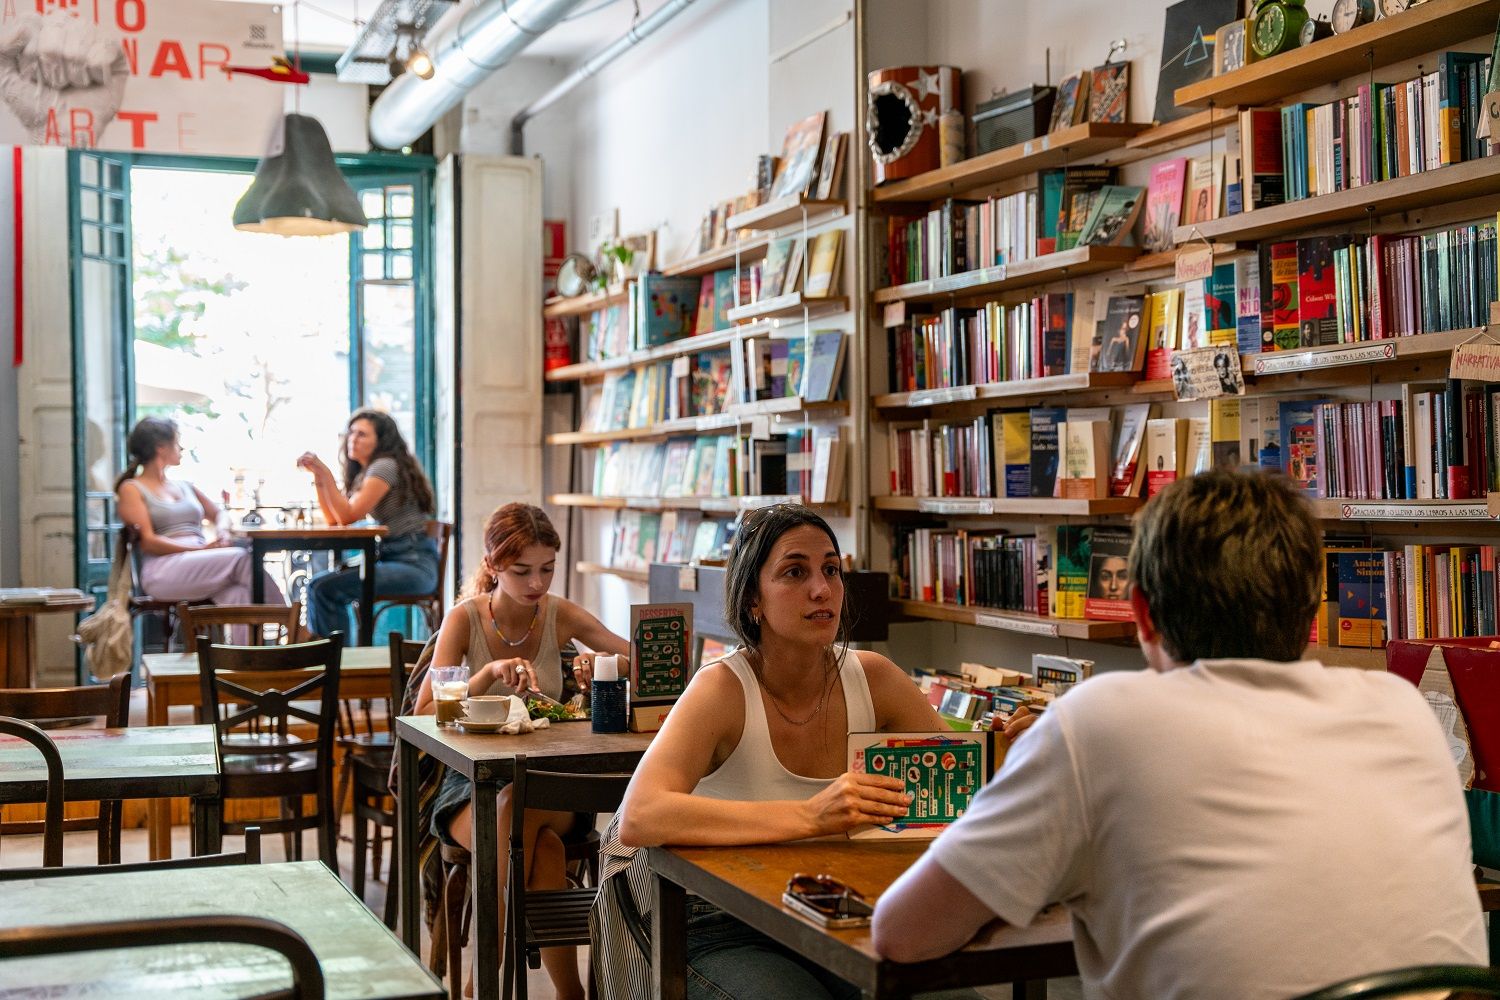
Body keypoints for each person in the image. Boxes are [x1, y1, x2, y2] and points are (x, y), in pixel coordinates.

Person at [871, 472, 1487, 998]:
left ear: (1140, 612)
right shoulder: (1403, 709)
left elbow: (901, 933)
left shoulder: (1101, 721)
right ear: (1310, 614)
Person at [596, 503, 1033, 1000]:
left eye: (831, 569)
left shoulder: (876, 678)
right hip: (717, 922)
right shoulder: (721, 689)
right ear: (752, 600)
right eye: (794, 572)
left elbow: (963, 787)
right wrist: (810, 815)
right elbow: (639, 815)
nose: (821, 589)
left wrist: (1007, 755)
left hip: (839, 909)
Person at [413, 502, 630, 1000]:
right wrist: (484, 676)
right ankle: (568, 993)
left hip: (553, 787)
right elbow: (425, 709)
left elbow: (637, 657)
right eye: (522, 571)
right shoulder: (464, 619)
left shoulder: (559, 616)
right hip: (472, 786)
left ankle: (483, 980)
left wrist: (602, 667)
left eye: (547, 569)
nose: (537, 583)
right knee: (540, 846)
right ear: (492, 566)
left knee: (518, 807)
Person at [115, 416, 285, 613]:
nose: (182, 448)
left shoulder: (184, 486)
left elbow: (219, 513)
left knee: (238, 594)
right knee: (242, 558)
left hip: (201, 562)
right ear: (161, 447)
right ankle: (296, 631)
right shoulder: (132, 489)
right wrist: (201, 549)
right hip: (163, 571)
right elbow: (149, 542)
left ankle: (248, 645)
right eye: (177, 442)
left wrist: (221, 531)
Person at [297, 409, 439, 639]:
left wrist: (326, 473)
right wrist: (319, 478)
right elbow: (334, 519)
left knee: (322, 588)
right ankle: (336, 661)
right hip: (397, 558)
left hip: (414, 565)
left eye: (362, 434)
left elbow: (347, 516)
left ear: (380, 441)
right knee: (320, 586)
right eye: (351, 432)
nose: (353, 438)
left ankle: (337, 663)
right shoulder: (369, 471)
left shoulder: (384, 466)